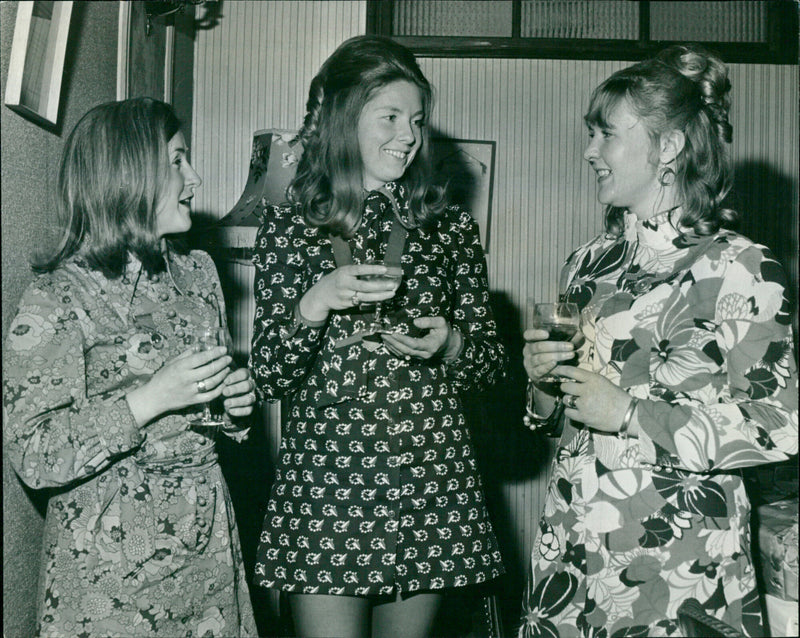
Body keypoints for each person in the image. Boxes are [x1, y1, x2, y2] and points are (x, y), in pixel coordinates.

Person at [519, 45, 798, 637]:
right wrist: (542, 384)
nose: (589, 151)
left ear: (668, 147)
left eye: (606, 135)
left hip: (677, 555)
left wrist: (629, 415)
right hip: (573, 539)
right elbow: (557, 420)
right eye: (590, 134)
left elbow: (782, 425)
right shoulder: (585, 263)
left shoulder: (741, 265)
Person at [250, 35, 506, 638]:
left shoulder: (449, 228)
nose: (407, 135)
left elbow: (493, 367)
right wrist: (315, 302)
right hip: (327, 486)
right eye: (390, 117)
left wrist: (453, 344)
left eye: (416, 120)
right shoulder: (289, 226)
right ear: (345, 118)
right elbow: (268, 376)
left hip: (431, 479)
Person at [3, 97, 258, 637]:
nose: (195, 178)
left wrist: (235, 405)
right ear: (128, 175)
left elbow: (211, 413)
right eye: (177, 161)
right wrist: (149, 399)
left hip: (208, 550)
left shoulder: (199, 273)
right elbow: (34, 454)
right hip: (111, 572)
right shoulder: (58, 296)